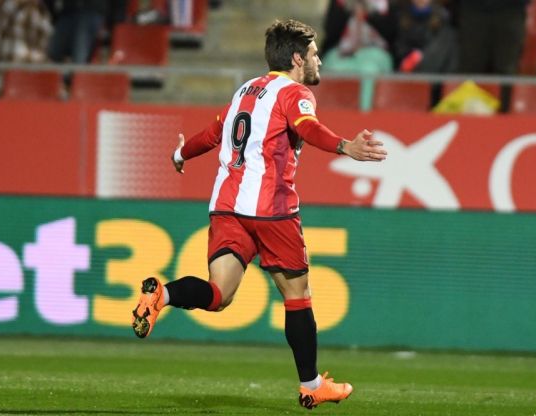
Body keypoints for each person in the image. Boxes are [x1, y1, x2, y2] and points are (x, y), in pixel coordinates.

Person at [131, 19, 387, 410]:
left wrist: (180, 154)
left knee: (218, 295)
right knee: (298, 297)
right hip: (271, 209)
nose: (320, 62)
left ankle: (161, 296)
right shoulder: (294, 92)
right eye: (316, 55)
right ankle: (311, 384)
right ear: (298, 58)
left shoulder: (244, 90)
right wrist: (344, 147)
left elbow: (215, 133)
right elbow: (308, 126)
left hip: (227, 206)